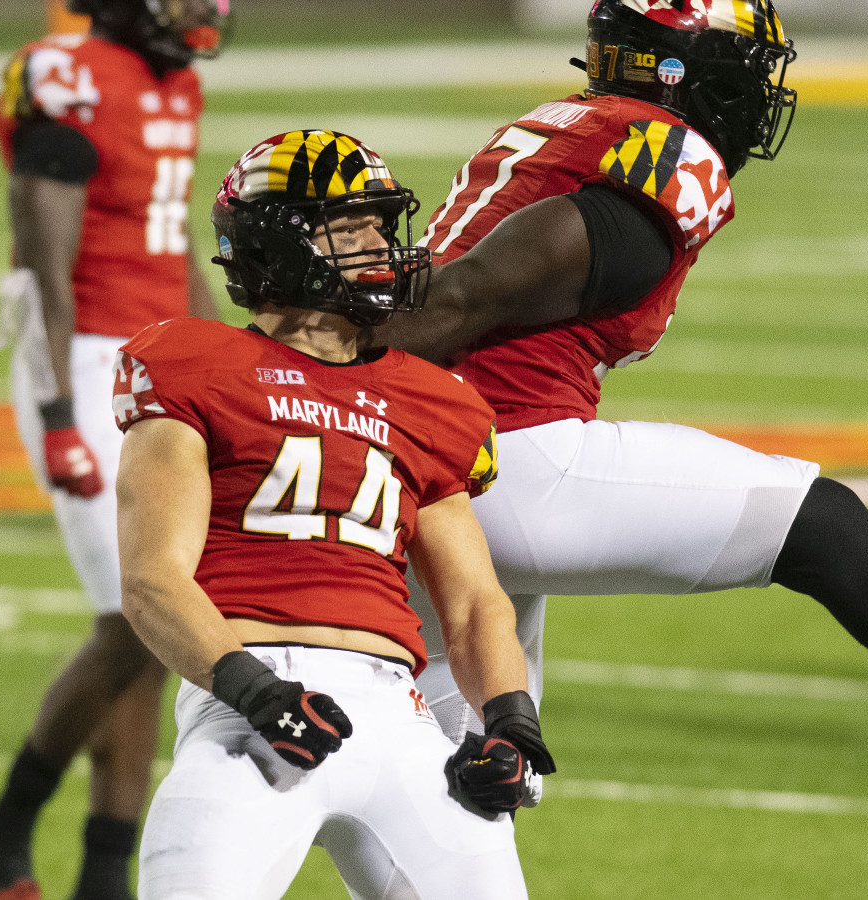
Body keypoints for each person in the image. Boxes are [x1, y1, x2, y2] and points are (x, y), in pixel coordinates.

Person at [365, 0, 868, 779]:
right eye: (744, 70)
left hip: (417, 459)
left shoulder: (562, 127)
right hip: (498, 457)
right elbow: (465, 295)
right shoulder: (659, 151)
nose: (756, 94)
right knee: (815, 522)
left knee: (457, 784)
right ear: (682, 67)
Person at [112, 128, 555, 900]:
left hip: (401, 715)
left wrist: (510, 723)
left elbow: (475, 600)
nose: (381, 246)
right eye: (351, 229)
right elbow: (153, 579)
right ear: (277, 246)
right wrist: (256, 693)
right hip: (249, 702)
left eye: (383, 225)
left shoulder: (435, 400)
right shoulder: (193, 365)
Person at [0, 3, 229, 899]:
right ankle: (7, 821)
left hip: (159, 356)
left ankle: (100, 871)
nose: (205, 8)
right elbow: (45, 269)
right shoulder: (70, 80)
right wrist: (50, 411)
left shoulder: (179, 80)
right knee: (139, 615)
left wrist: (228, 356)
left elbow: (171, 243)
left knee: (145, 630)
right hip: (84, 362)